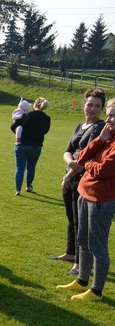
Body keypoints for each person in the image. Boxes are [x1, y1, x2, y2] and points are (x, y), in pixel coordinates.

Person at [56, 98, 115, 301]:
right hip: (84, 192)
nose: (109, 119)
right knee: (82, 239)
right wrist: (100, 140)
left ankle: (96, 291)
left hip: (101, 199)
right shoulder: (106, 136)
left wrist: (89, 162)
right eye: (108, 114)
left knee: (97, 245)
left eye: (114, 115)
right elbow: (80, 158)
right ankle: (81, 281)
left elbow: (102, 170)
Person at [52, 88, 106, 275]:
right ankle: (70, 252)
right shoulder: (79, 126)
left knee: (80, 223)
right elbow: (67, 150)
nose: (92, 109)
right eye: (89, 104)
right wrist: (69, 164)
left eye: (97, 106)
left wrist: (69, 175)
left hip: (82, 181)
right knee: (71, 218)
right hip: (69, 176)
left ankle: (79, 263)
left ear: (102, 109)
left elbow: (87, 158)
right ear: (83, 105)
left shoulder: (99, 128)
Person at [11, 97, 51, 195]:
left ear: (35, 104)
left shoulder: (26, 115)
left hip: (22, 145)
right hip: (36, 146)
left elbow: (13, 126)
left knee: (19, 168)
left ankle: (18, 189)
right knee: (31, 167)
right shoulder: (47, 118)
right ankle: (28, 186)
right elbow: (45, 131)